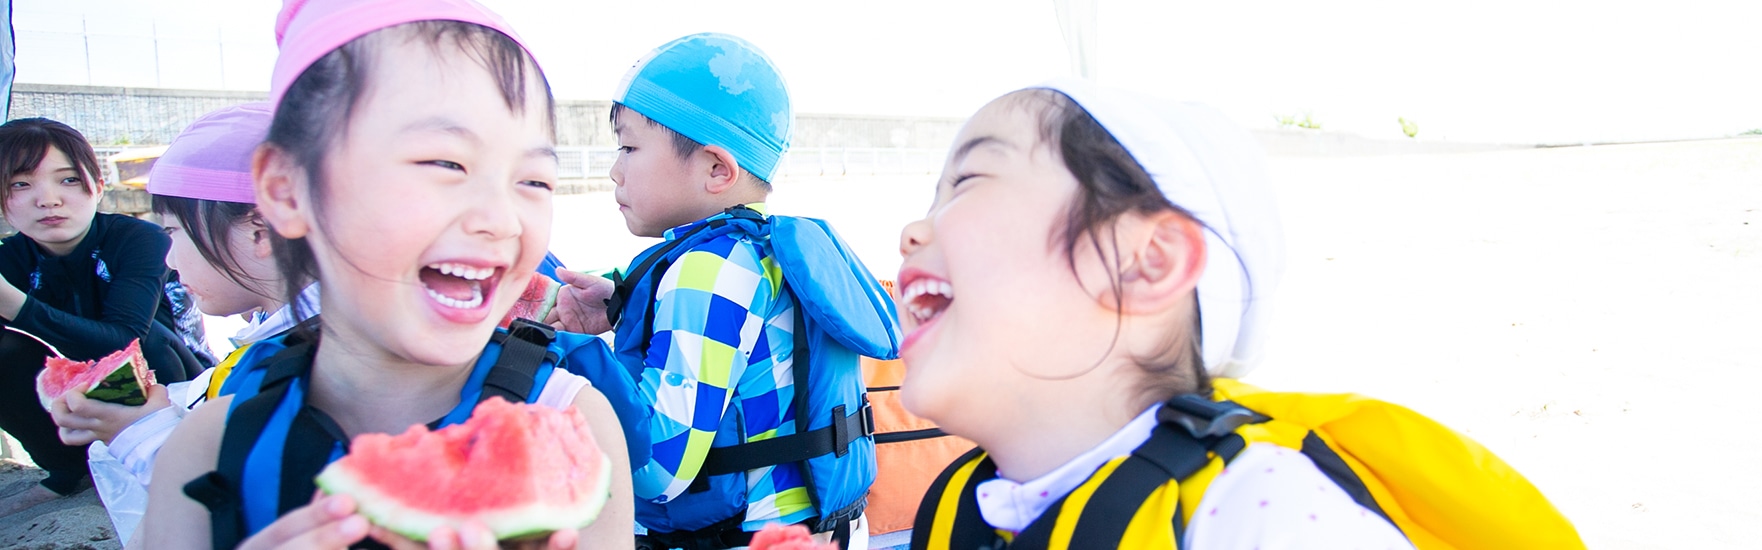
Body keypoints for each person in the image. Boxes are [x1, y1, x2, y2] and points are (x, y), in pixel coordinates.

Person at [897, 80, 1582, 548]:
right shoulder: (968, 504)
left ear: (1147, 263)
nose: (913, 231)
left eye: (968, 181)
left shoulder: (1268, 515)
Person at [140, 0, 633, 547]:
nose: (501, 219)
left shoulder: (570, 421)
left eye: (534, 180)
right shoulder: (207, 448)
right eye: (445, 163)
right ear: (287, 190)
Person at [547, 33, 891, 549]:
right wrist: (620, 307)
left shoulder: (707, 270)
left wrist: (562, 358)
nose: (615, 170)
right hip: (824, 532)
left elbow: (657, 468)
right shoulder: (760, 252)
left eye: (629, 147)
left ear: (716, 169)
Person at [45, 102, 317, 544]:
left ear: (260, 232)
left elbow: (241, 508)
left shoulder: (310, 362)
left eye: (172, 232)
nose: (169, 261)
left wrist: (139, 432)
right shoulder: (297, 336)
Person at [0, 117, 208, 518]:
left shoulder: (140, 239)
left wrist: (13, 303)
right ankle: (67, 469)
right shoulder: (10, 259)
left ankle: (171, 460)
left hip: (177, 390)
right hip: (74, 409)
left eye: (68, 180)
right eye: (21, 184)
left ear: (96, 186)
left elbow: (123, 340)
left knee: (144, 339)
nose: (48, 199)